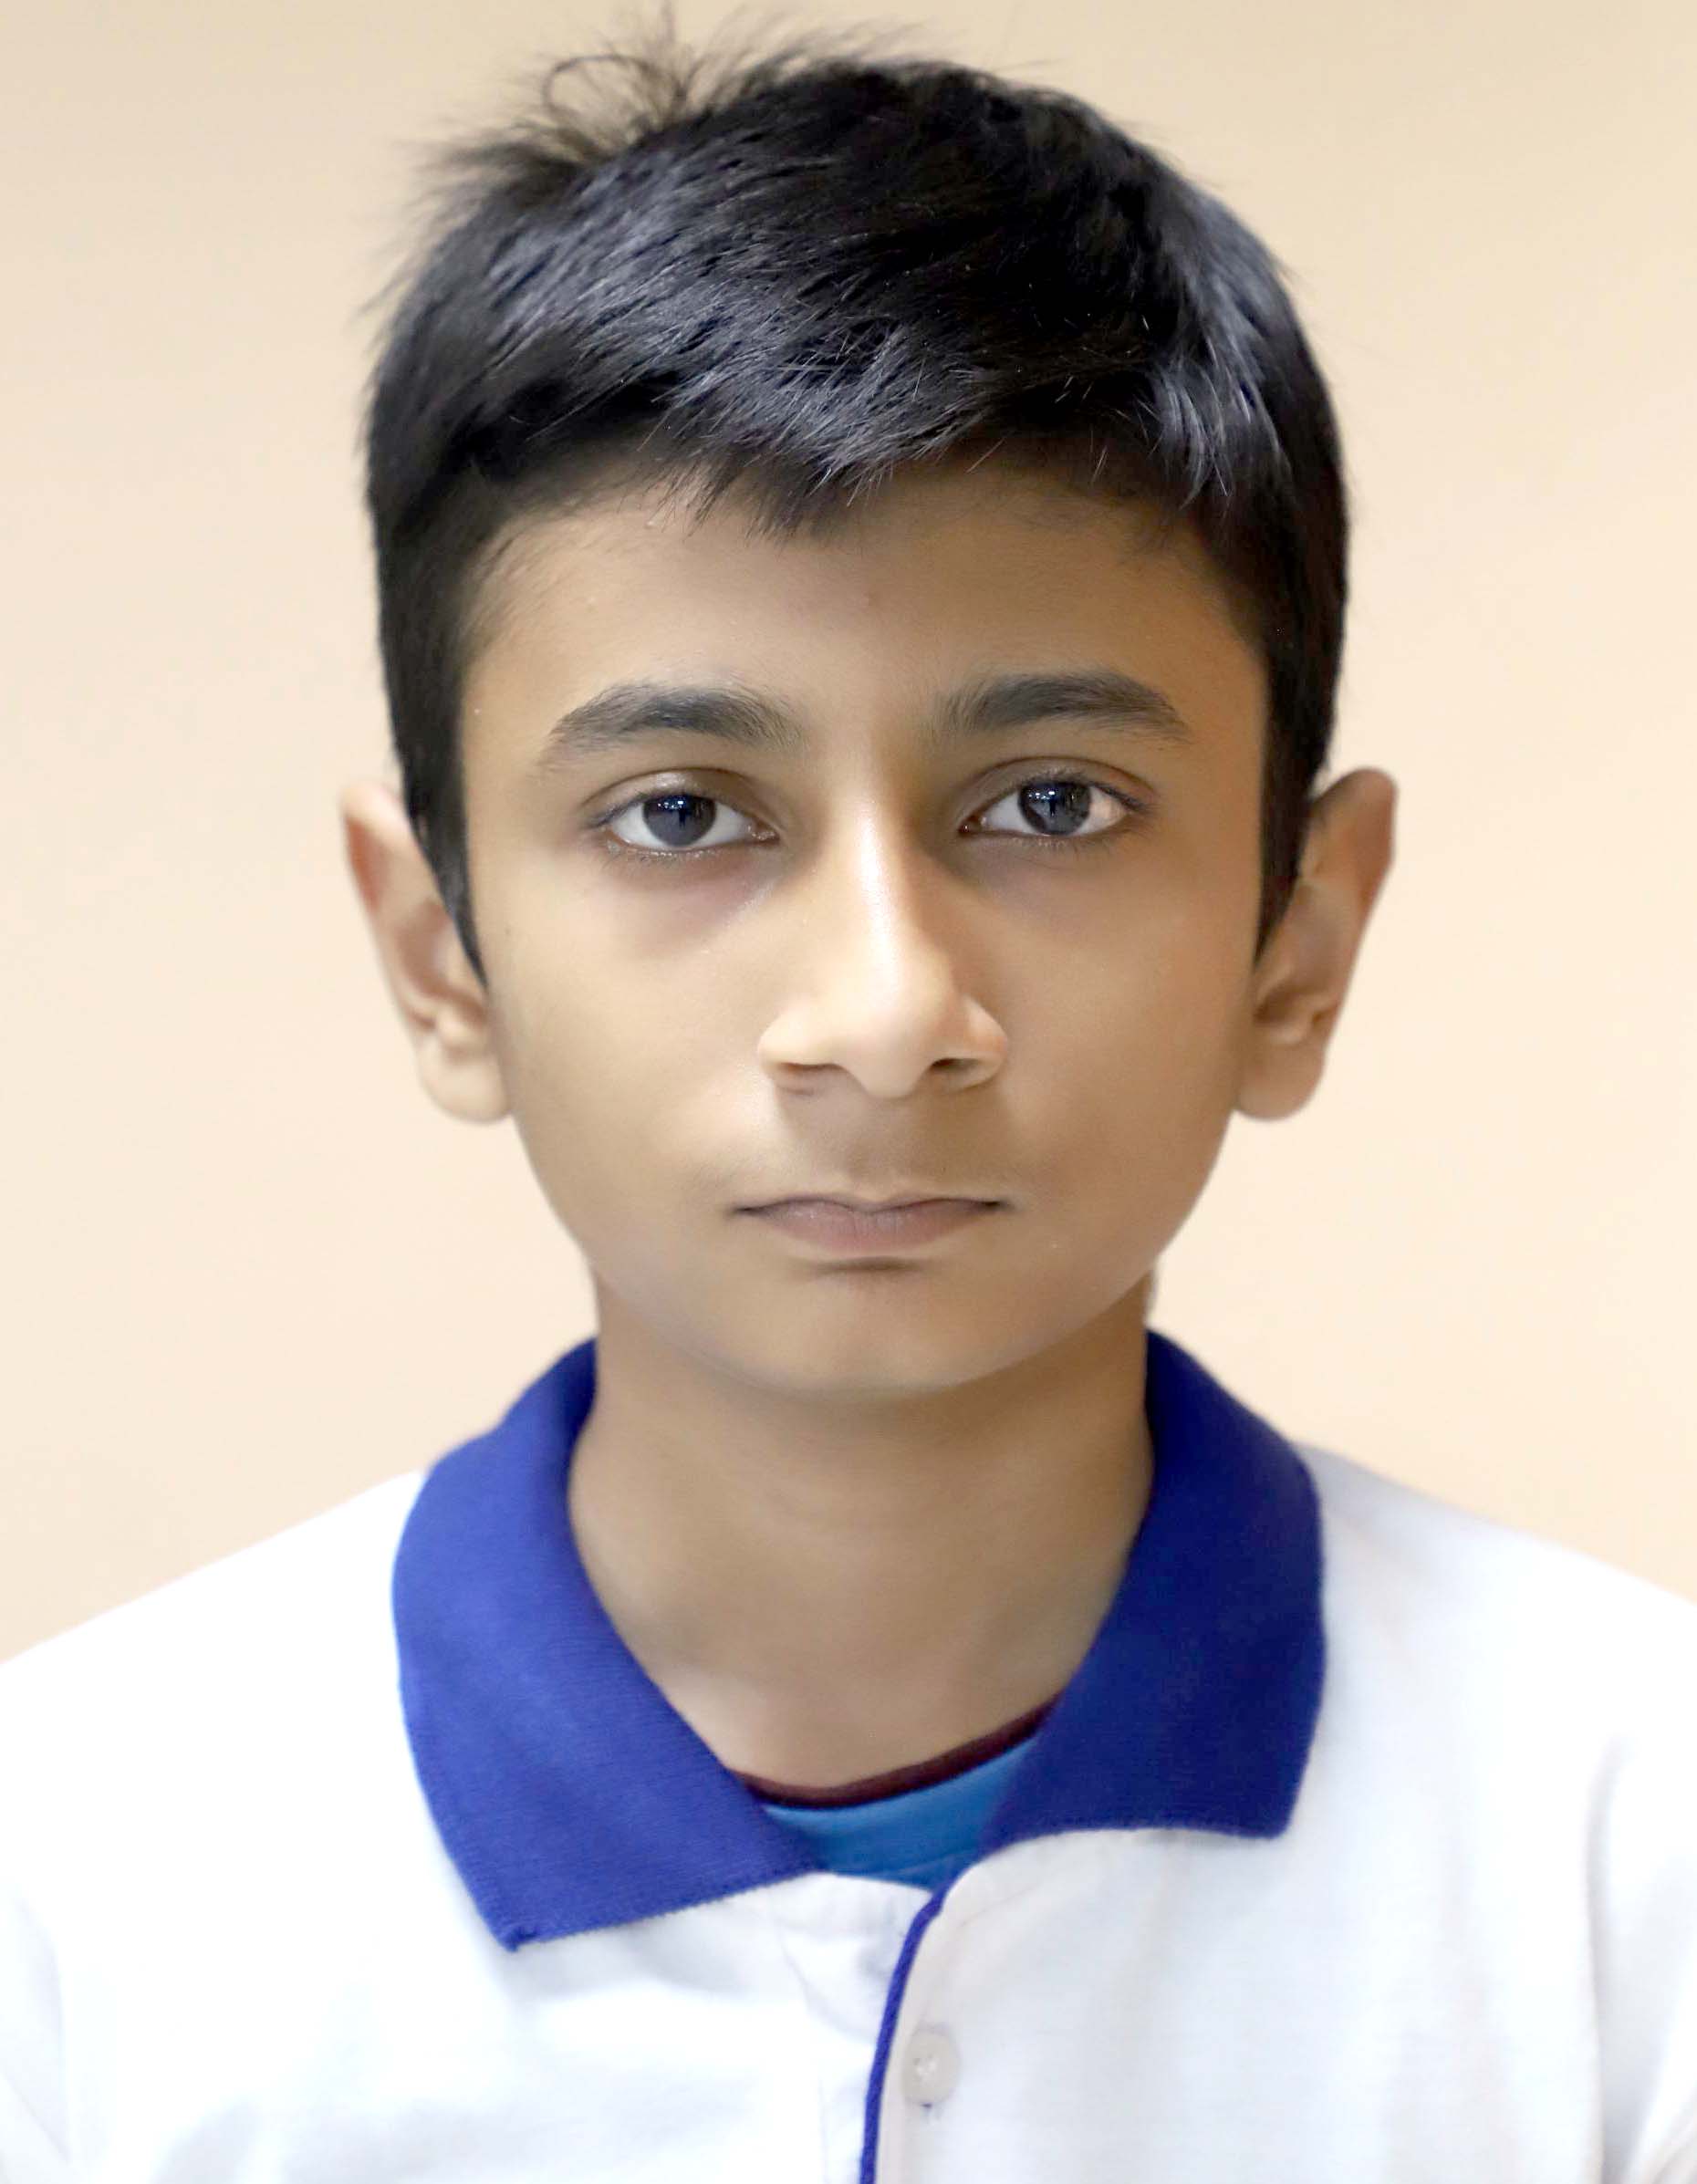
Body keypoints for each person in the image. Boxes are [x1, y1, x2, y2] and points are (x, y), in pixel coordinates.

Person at [4, 11, 1693, 2180]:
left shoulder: (1631, 1858)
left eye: (1054, 803)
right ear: (440, 952)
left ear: (1301, 936)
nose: (887, 1015)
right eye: (684, 814)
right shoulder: (75, 1892)